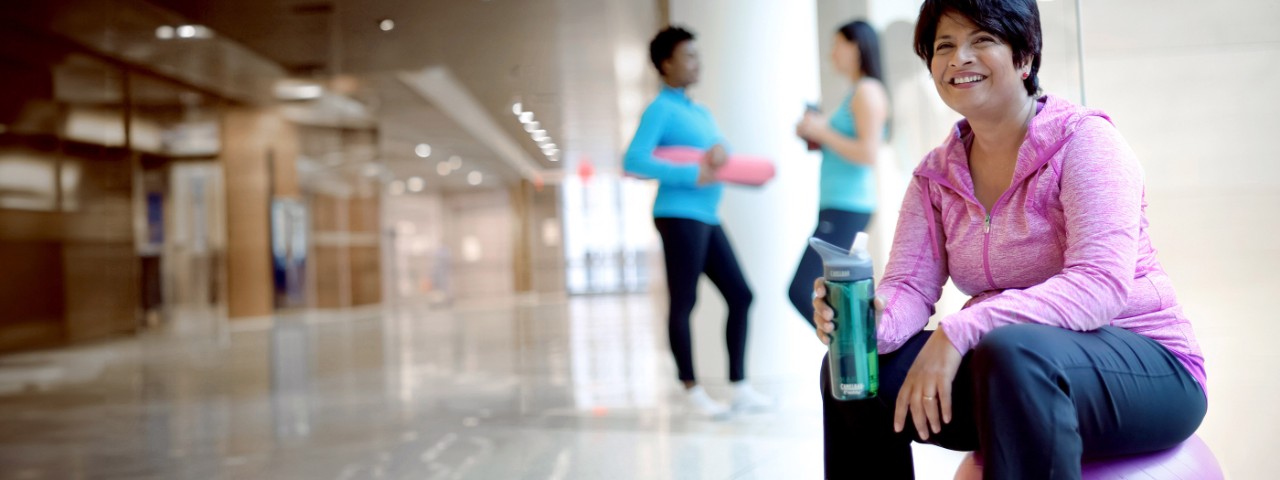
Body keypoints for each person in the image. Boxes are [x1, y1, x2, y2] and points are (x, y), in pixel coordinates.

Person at [812, 1, 1207, 478]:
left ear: (1024, 57)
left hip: (1146, 366)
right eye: (944, 46)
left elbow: (1100, 285)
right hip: (1013, 377)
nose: (959, 57)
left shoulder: (1085, 142)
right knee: (854, 372)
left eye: (982, 40)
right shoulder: (935, 178)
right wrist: (866, 324)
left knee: (1013, 351)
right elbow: (910, 288)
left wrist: (962, 329)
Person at [624, 26, 771, 418]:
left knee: (741, 295)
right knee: (684, 301)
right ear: (666, 63)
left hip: (706, 216)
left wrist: (722, 152)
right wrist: (691, 175)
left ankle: (739, 387)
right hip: (678, 214)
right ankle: (690, 389)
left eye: (697, 55)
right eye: (688, 55)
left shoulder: (698, 112)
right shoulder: (660, 109)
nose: (696, 62)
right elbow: (633, 160)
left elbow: (721, 155)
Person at [790, 20, 890, 328]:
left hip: (849, 206)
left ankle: (857, 356)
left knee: (800, 289)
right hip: (839, 206)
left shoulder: (867, 91)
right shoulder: (856, 92)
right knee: (832, 293)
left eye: (837, 44)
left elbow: (868, 153)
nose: (832, 53)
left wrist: (823, 131)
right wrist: (816, 133)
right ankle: (851, 362)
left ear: (856, 46)